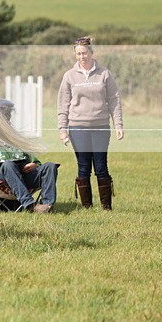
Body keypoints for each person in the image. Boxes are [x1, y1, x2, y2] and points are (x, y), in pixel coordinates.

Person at [58, 36, 124, 210]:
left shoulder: (104, 74)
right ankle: (86, 206)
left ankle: (106, 206)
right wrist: (62, 129)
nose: (82, 57)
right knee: (83, 166)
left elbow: (114, 100)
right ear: (75, 55)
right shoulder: (69, 76)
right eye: (78, 54)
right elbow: (63, 104)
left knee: (101, 166)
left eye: (85, 53)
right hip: (77, 127)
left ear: (92, 52)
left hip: (101, 126)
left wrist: (118, 125)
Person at [0, 100, 58, 214]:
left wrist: (33, 165)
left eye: (7, 120)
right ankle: (30, 205)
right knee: (8, 165)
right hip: (2, 183)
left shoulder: (17, 142)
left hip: (23, 177)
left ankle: (46, 206)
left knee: (49, 167)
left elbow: (37, 163)